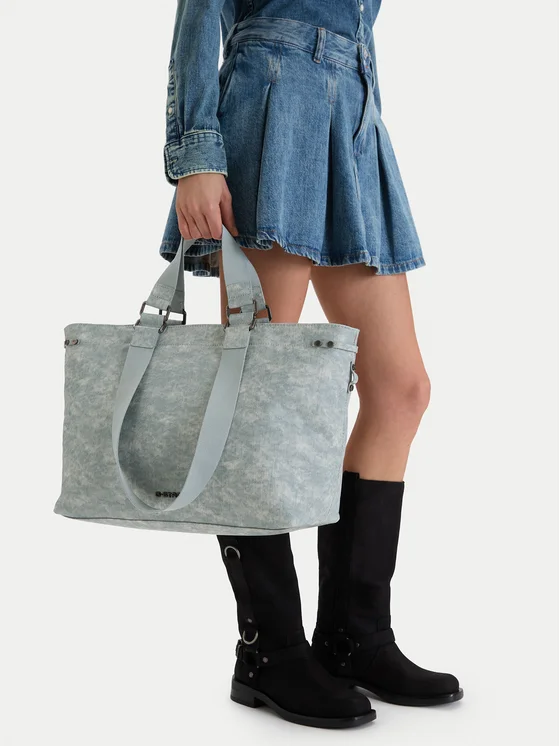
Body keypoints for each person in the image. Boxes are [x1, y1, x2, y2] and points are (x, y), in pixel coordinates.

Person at [159, 0, 463, 728]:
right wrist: (197, 154)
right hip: (276, 100)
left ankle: (353, 637)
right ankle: (269, 652)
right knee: (255, 389)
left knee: (401, 390)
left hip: (355, 110)